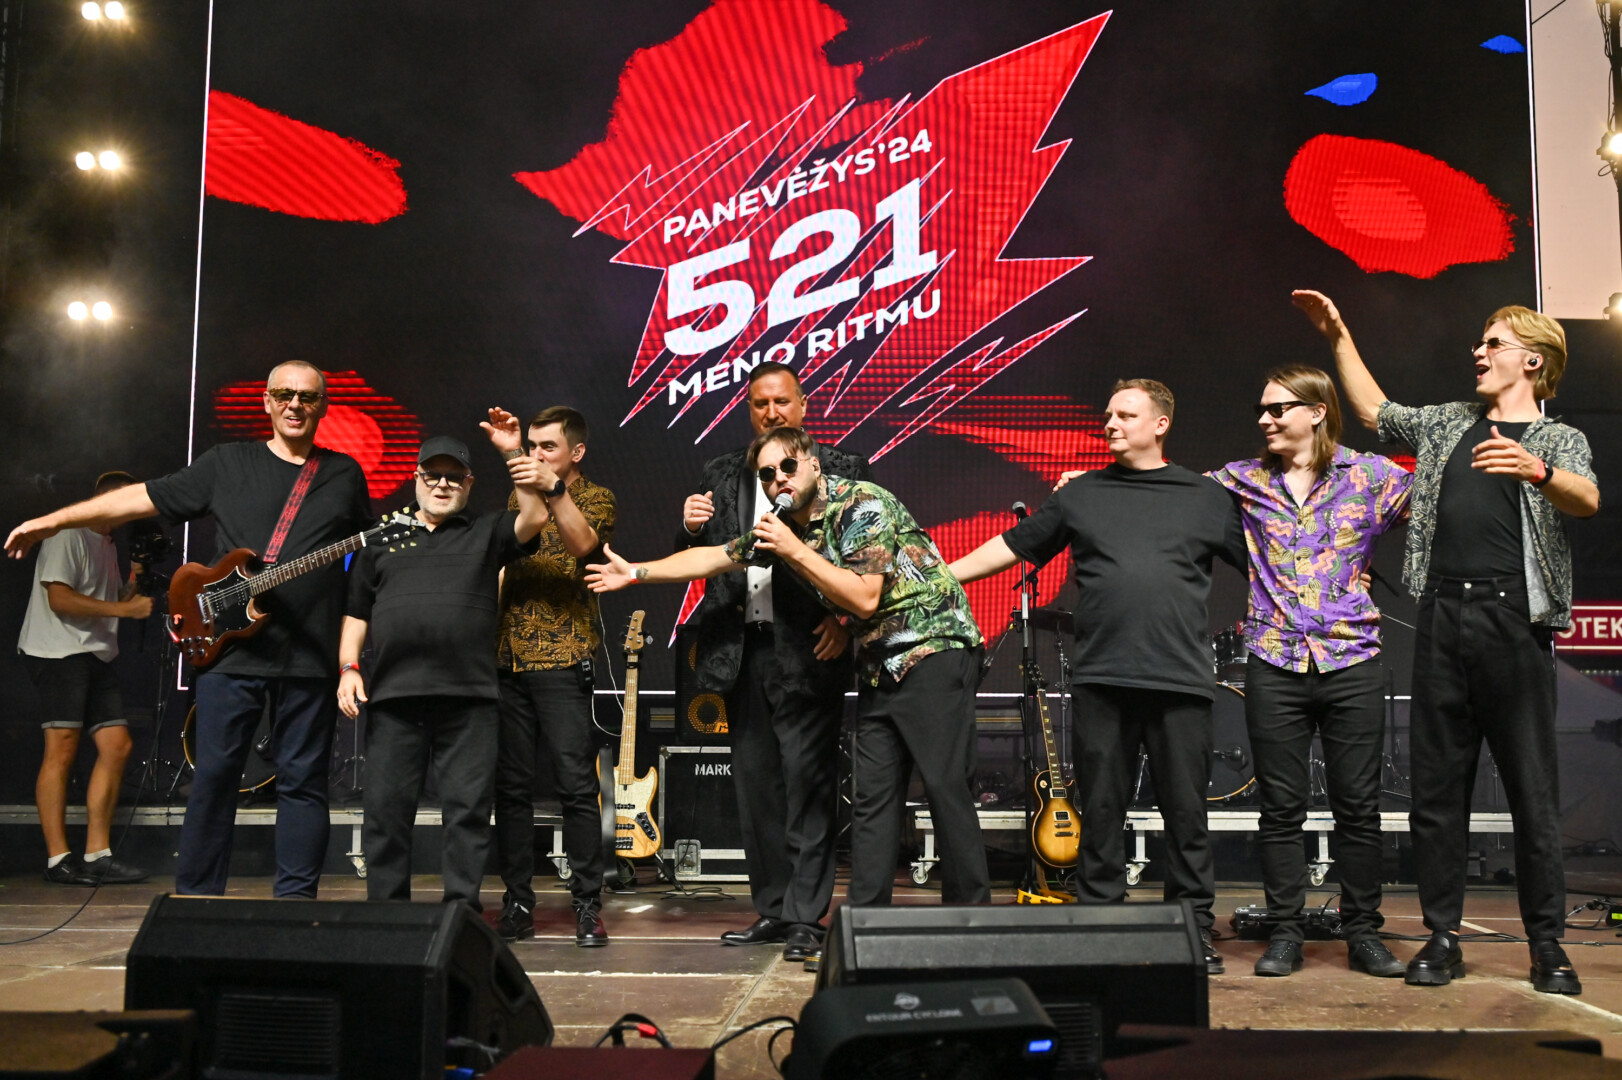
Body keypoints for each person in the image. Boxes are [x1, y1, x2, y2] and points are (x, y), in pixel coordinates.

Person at [1296, 290, 1600, 994]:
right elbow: (1376, 412)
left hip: (1514, 622)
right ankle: (1441, 937)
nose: (1478, 351)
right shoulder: (1449, 423)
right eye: (1480, 341)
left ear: (1532, 360)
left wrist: (1537, 471)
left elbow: (1586, 498)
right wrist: (1338, 332)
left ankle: (1548, 946)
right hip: (1443, 617)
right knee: (1437, 792)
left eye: (1493, 343)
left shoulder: (1558, 440)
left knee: (1531, 790)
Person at [591, 426, 991, 935]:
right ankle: (865, 930)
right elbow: (717, 557)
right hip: (879, 664)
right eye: (767, 474)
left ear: (814, 465)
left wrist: (793, 551)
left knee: (944, 788)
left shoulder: (860, 502)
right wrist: (636, 573)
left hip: (932, 649)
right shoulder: (784, 526)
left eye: (788, 467)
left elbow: (865, 597)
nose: (778, 479)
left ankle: (972, 927)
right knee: (872, 801)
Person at [6, 361, 373, 898]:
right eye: (283, 394)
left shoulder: (344, 474)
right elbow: (141, 497)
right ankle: (197, 901)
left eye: (307, 396)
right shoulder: (227, 462)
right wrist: (54, 520)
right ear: (267, 402)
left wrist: (348, 656)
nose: (295, 404)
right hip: (230, 652)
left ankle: (296, 908)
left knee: (304, 784)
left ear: (323, 406)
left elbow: (366, 564)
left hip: (309, 655)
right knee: (215, 779)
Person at [949, 379, 1244, 975]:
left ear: (1160, 424)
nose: (1110, 423)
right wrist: (939, 575)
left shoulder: (1206, 496)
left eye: (1125, 415)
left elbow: (1267, 561)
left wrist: (1344, 575)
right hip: (1103, 679)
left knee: (1186, 814)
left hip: (1180, 681)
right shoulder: (1081, 493)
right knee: (1102, 811)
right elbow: (1014, 545)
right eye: (1108, 414)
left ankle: (1191, 928)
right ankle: (1100, 924)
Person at [1206, 364, 1412, 978]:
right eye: (1261, 410)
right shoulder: (1242, 480)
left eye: (1278, 408)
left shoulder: (1371, 476)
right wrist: (1094, 483)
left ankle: (1364, 933)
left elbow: (1443, 508)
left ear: (1317, 411)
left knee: (1359, 810)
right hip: (1276, 660)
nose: (1265, 419)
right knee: (1280, 809)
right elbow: (1163, 491)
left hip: (1352, 659)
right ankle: (1285, 932)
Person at [676, 363, 868, 962]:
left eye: (782, 401)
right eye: (760, 403)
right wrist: (689, 529)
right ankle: (774, 909)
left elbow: (869, 558)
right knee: (757, 789)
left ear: (803, 405)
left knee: (808, 785)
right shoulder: (722, 471)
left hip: (808, 649)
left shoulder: (842, 467)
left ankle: (807, 916)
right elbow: (707, 556)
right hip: (740, 651)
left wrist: (845, 621)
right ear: (749, 409)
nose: (771, 412)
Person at [338, 422, 547, 911]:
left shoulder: (487, 531)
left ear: (469, 483)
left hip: (470, 699)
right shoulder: (381, 537)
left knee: (467, 815)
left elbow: (536, 515)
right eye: (433, 475)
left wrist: (512, 452)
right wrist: (348, 667)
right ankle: (387, 918)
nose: (442, 484)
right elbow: (356, 613)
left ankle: (460, 919)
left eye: (454, 477)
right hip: (395, 699)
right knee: (385, 815)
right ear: (416, 477)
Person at [491, 406, 616, 947]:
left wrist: (553, 489)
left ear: (575, 452)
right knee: (511, 789)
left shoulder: (596, 497)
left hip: (563, 658)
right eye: (533, 445)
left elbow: (584, 546)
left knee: (576, 786)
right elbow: (505, 565)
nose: (538, 454)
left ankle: (587, 904)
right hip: (508, 660)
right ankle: (518, 902)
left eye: (549, 446)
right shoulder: (515, 499)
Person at [18, 471, 154, 886]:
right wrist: (125, 611)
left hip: (94, 652)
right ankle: (58, 858)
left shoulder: (107, 542)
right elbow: (59, 598)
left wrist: (134, 581)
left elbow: (106, 599)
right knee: (62, 746)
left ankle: (97, 854)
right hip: (57, 651)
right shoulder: (68, 533)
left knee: (117, 745)